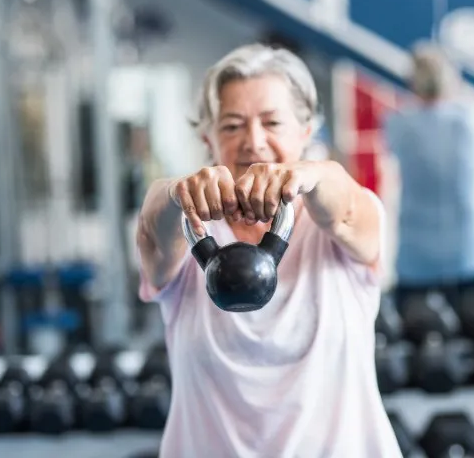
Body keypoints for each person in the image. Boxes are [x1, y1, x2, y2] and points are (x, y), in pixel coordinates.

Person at [135, 43, 401, 458]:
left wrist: (310, 175)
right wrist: (175, 192)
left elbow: (345, 207)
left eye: (272, 122)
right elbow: (153, 220)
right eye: (232, 126)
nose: (253, 142)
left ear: (307, 132)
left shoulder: (339, 221)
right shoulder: (189, 231)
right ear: (208, 138)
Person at [382, 42, 474, 308]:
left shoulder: (396, 123)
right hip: (468, 251)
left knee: (415, 335)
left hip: (416, 253)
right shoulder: (472, 119)